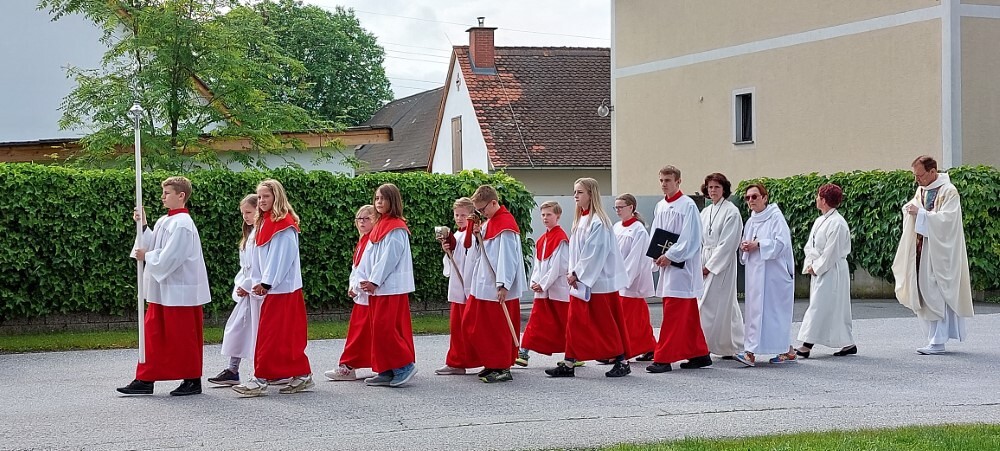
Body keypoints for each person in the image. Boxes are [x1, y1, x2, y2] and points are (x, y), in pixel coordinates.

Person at [117, 176, 211, 396]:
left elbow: (173, 256)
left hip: (180, 291)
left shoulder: (183, 224)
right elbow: (155, 244)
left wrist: (148, 256)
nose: (162, 197)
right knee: (153, 334)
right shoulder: (164, 221)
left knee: (182, 336)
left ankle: (191, 379)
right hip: (162, 289)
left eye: (167, 193)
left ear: (181, 195)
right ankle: (146, 377)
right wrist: (143, 225)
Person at [232, 179, 313, 396]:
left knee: (271, 335)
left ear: (276, 196)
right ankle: (301, 374)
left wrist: (267, 282)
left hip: (282, 289)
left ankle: (260, 379)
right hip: (273, 288)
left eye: (266, 196)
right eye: (259, 197)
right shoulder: (265, 222)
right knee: (283, 335)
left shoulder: (283, 225)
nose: (261, 200)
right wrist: (255, 282)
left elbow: (281, 258)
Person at [545, 178, 632, 378]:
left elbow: (595, 252)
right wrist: (573, 272)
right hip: (581, 281)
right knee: (574, 322)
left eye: (579, 192)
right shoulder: (581, 219)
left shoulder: (598, 221)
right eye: (575, 192)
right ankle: (569, 362)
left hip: (597, 282)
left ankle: (622, 361)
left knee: (604, 324)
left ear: (591, 194)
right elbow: (577, 251)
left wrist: (577, 273)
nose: (575, 196)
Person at [891, 155, 974, 355]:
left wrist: (920, 214)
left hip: (940, 253)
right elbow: (914, 208)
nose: (917, 179)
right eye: (915, 175)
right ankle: (933, 338)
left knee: (937, 291)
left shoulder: (949, 191)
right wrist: (909, 210)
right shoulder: (922, 190)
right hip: (922, 249)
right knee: (924, 291)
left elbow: (948, 221)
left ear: (932, 171)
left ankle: (938, 341)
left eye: (920, 175)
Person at [646, 166, 711, 373]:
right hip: (666, 264)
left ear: (678, 181)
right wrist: (654, 253)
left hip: (682, 268)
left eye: (668, 180)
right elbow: (656, 232)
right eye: (661, 180)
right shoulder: (660, 206)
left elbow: (691, 238)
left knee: (674, 313)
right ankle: (699, 354)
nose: (664, 184)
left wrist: (671, 256)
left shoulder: (687, 205)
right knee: (687, 313)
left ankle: (663, 358)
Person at [464, 185, 528, 383]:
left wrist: (503, 285)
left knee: (497, 329)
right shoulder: (491, 222)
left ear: (493, 203)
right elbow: (483, 250)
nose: (481, 214)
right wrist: (478, 235)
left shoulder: (505, 225)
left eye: (482, 209)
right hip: (484, 284)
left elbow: (508, 258)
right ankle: (492, 362)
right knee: (480, 325)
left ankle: (502, 366)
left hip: (497, 286)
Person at [359, 183, 418, 387]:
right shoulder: (381, 225)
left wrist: (374, 280)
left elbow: (389, 258)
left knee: (386, 329)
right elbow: (370, 256)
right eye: (376, 198)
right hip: (379, 288)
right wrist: (365, 278)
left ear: (392, 201)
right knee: (378, 329)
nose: (378, 202)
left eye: (383, 198)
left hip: (390, 287)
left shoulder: (396, 227)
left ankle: (404, 366)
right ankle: (386, 369)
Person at [734, 183, 797, 367]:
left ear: (765, 198)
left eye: (754, 196)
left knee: (775, 313)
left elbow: (782, 243)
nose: (750, 200)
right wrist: (745, 246)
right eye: (747, 198)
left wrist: (759, 244)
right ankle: (750, 352)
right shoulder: (751, 221)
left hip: (774, 275)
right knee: (755, 312)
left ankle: (784, 350)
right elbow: (747, 243)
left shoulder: (776, 217)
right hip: (755, 274)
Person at [208, 194, 263, 386]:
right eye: (243, 213)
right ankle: (233, 369)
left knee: (256, 333)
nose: (245, 216)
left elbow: (260, 266)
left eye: (249, 212)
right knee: (237, 329)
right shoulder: (249, 236)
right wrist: (241, 285)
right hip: (247, 291)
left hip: (257, 291)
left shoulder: (261, 235)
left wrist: (248, 285)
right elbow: (245, 267)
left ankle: (260, 371)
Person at [796, 184, 857, 358]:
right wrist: (810, 262)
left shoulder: (838, 223)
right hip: (820, 267)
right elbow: (810, 245)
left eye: (818, 196)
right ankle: (848, 343)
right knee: (832, 308)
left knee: (819, 306)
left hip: (832, 270)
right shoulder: (820, 221)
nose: (816, 199)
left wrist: (816, 267)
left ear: (823, 200)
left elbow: (832, 251)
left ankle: (807, 345)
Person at [325, 205, 377, 381]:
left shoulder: (373, 241)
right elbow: (356, 267)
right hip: (361, 295)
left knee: (361, 334)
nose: (362, 222)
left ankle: (348, 366)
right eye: (359, 219)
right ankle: (351, 365)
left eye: (366, 218)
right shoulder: (363, 241)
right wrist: (351, 286)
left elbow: (368, 269)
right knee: (360, 332)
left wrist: (357, 287)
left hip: (368, 294)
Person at [517, 201, 572, 367]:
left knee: (564, 323)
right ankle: (524, 351)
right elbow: (538, 265)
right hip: (543, 290)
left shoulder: (561, 239)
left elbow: (560, 266)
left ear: (558, 216)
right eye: (543, 215)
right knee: (536, 320)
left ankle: (573, 354)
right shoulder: (542, 240)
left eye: (549, 214)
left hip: (557, 289)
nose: (545, 218)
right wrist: (535, 281)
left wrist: (543, 283)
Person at [698, 173, 745, 359]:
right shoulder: (705, 212)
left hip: (721, 263)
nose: (713, 190)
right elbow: (700, 240)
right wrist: (699, 263)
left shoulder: (732, 212)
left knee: (714, 303)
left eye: (717, 187)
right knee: (719, 304)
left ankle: (711, 345)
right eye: (710, 187)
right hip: (705, 257)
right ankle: (727, 344)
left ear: (724, 189)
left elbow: (728, 243)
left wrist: (710, 266)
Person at [435, 197, 482, 376]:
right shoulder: (457, 234)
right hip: (459, 285)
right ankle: (457, 361)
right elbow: (455, 259)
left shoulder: (474, 233)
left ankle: (474, 359)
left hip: (470, 285)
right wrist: (448, 250)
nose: (459, 218)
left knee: (471, 326)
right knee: (457, 327)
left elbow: (476, 255)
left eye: (463, 215)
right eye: (457, 215)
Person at [612, 194, 656, 362]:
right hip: (617, 278)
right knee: (635, 318)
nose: (618, 210)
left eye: (620, 207)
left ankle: (624, 350)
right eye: (616, 207)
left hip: (631, 280)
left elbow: (636, 258)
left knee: (630, 318)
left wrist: (624, 279)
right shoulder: (616, 227)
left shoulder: (639, 230)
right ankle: (649, 346)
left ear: (631, 207)